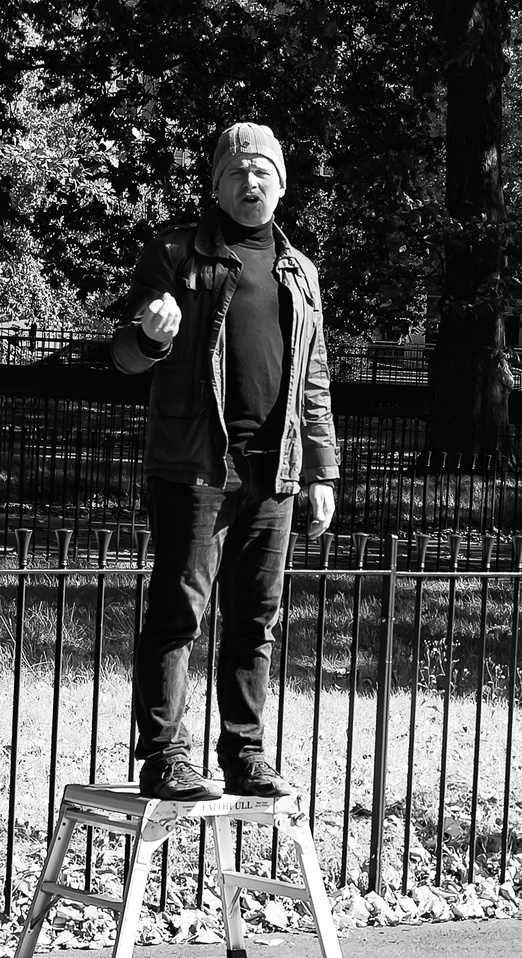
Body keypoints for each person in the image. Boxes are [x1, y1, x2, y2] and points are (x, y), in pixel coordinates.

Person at [112, 122, 339, 801]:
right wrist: (150, 338)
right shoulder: (178, 256)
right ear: (215, 184)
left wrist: (322, 470)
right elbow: (123, 354)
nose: (250, 183)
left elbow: (315, 376)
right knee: (178, 615)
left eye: (263, 172)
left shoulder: (301, 272)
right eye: (237, 172)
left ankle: (245, 753)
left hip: (274, 472)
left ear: (282, 184)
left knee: (254, 623)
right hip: (195, 468)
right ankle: (166, 758)